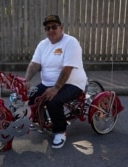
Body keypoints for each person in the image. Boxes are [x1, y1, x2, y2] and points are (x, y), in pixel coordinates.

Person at [25, 14, 87, 149]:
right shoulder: (43, 44)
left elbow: (67, 68)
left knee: (53, 100)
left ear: (62, 27)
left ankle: (60, 131)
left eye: (54, 27)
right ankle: (42, 121)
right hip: (48, 83)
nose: (50, 30)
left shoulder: (71, 42)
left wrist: (55, 89)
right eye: (47, 28)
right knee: (30, 97)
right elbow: (34, 64)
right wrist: (26, 80)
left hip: (73, 83)